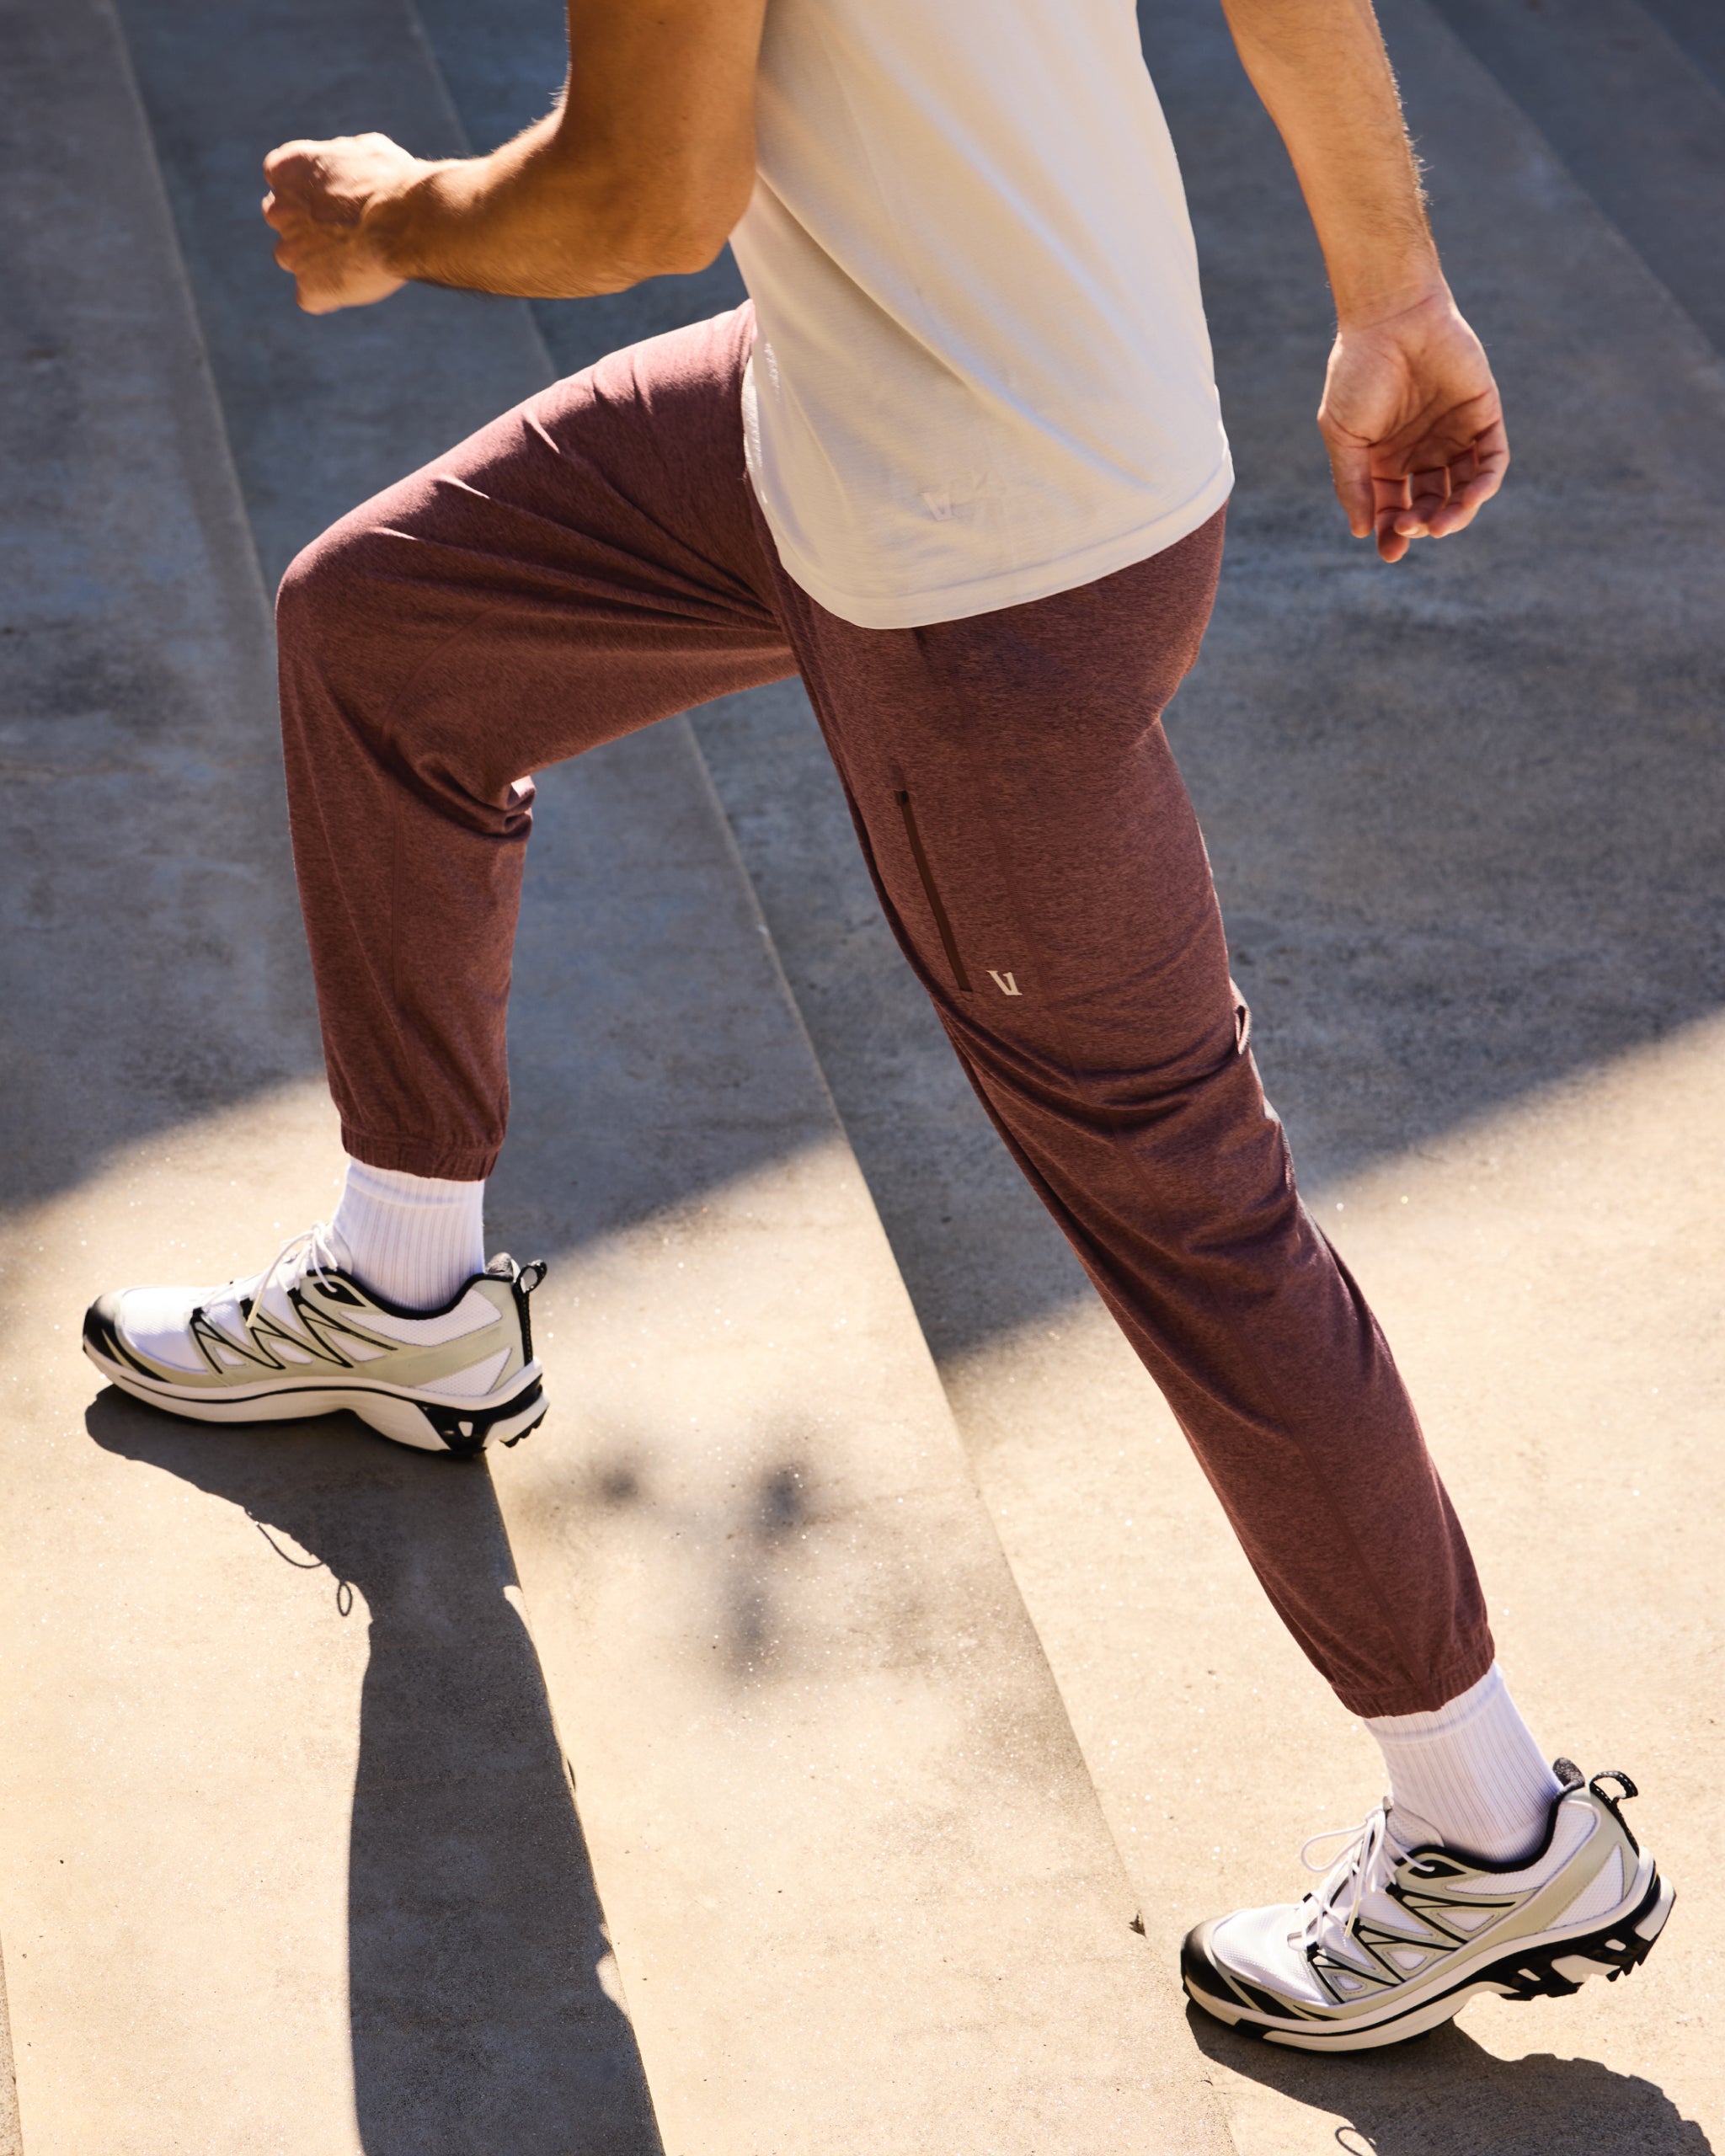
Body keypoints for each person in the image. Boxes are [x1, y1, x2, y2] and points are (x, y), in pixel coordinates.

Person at [82, 0, 1672, 2048]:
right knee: (385, 625)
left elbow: (641, 199)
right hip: (914, 410)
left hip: (965, 591)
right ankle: (405, 1289)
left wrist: (394, 218)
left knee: (1182, 1201)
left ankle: (1490, 1821)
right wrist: (1396, 296)